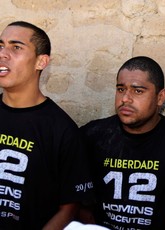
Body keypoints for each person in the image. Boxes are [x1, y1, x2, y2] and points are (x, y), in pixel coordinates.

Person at [80, 56, 165, 229]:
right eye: (121, 89)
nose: (125, 98)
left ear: (160, 97)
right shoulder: (92, 136)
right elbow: (77, 201)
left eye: (138, 91)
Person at [0, 21, 94, 229]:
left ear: (41, 62)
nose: (3, 53)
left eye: (16, 47)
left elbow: (69, 209)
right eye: (1, 45)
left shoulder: (62, 130)